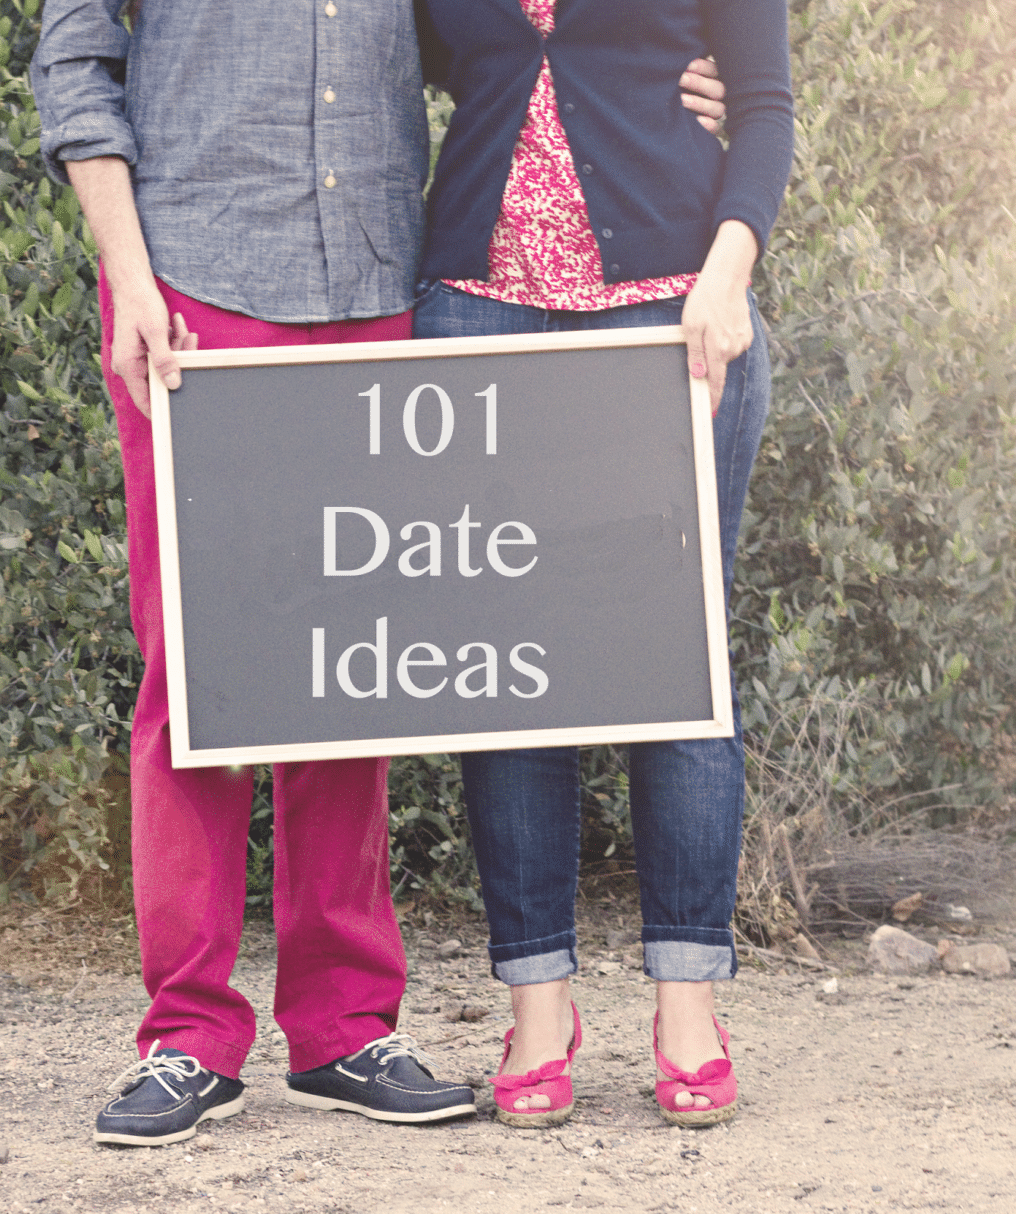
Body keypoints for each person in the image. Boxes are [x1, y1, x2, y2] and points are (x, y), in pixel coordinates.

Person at [31, 0, 729, 1145]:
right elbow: (75, 53)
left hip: (373, 290)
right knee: (203, 667)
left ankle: (343, 1023)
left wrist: (664, 73)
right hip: (195, 291)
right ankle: (187, 1034)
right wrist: (129, 273)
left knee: (355, 669)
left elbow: (499, 40)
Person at [412, 0, 794, 1128]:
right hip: (478, 319)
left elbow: (765, 104)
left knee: (678, 667)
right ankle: (539, 1009)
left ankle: (688, 1008)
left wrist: (724, 279)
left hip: (671, 319)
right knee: (511, 672)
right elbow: (423, 79)